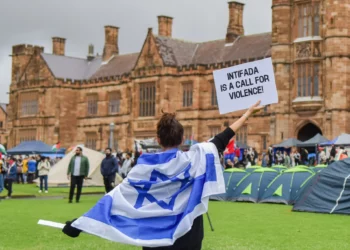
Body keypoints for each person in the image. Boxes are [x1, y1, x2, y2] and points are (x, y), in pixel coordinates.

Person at [62, 101, 263, 249]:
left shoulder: (142, 169)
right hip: (189, 235)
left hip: (153, 237)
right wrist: (247, 114)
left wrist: (78, 224)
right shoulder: (195, 159)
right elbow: (224, 136)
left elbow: (113, 200)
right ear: (183, 138)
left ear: (157, 139)